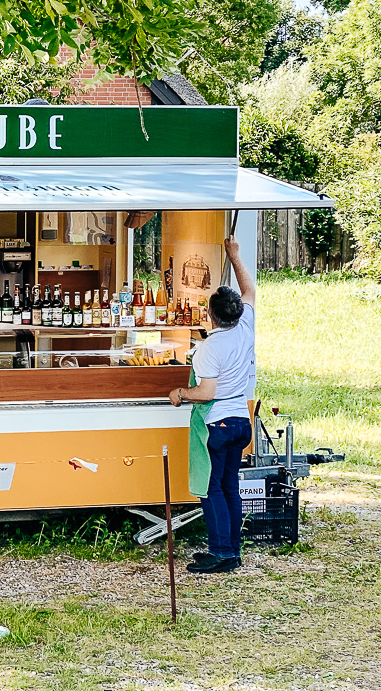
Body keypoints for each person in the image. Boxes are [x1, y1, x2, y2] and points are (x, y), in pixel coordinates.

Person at [168, 236, 256, 574]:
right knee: (230, 488)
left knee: (211, 489)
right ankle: (232, 550)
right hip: (239, 421)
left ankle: (221, 553)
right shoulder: (245, 326)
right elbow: (249, 291)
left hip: (216, 424)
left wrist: (180, 394)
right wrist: (235, 255)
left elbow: (205, 392)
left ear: (210, 315)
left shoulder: (208, 348)